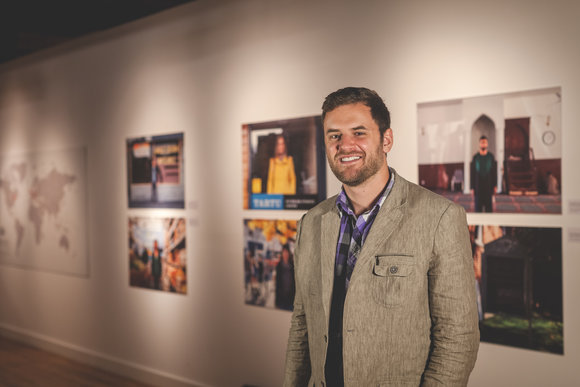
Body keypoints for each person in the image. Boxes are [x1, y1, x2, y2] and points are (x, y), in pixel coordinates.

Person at [283, 87, 479, 386]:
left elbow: (457, 336)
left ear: (386, 139)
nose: (345, 145)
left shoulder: (439, 217)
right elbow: (302, 324)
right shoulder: (312, 223)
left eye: (358, 132)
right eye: (334, 135)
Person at [470, 135, 497, 212]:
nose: (483, 144)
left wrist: (495, 185)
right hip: (478, 186)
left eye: (485, 143)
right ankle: (478, 224)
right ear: (479, 144)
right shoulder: (475, 157)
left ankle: (488, 223)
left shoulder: (491, 157)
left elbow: (494, 172)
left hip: (489, 186)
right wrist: (472, 187)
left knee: (489, 208)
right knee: (478, 208)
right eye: (482, 143)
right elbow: (472, 173)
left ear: (487, 144)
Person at [275, 244, 296, 311]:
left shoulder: (292, 266)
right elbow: (277, 284)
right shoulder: (279, 266)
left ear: (289, 253)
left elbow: (295, 282)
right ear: (282, 253)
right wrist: (276, 301)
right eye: (284, 252)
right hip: (281, 298)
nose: (285, 254)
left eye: (287, 252)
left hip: (291, 298)